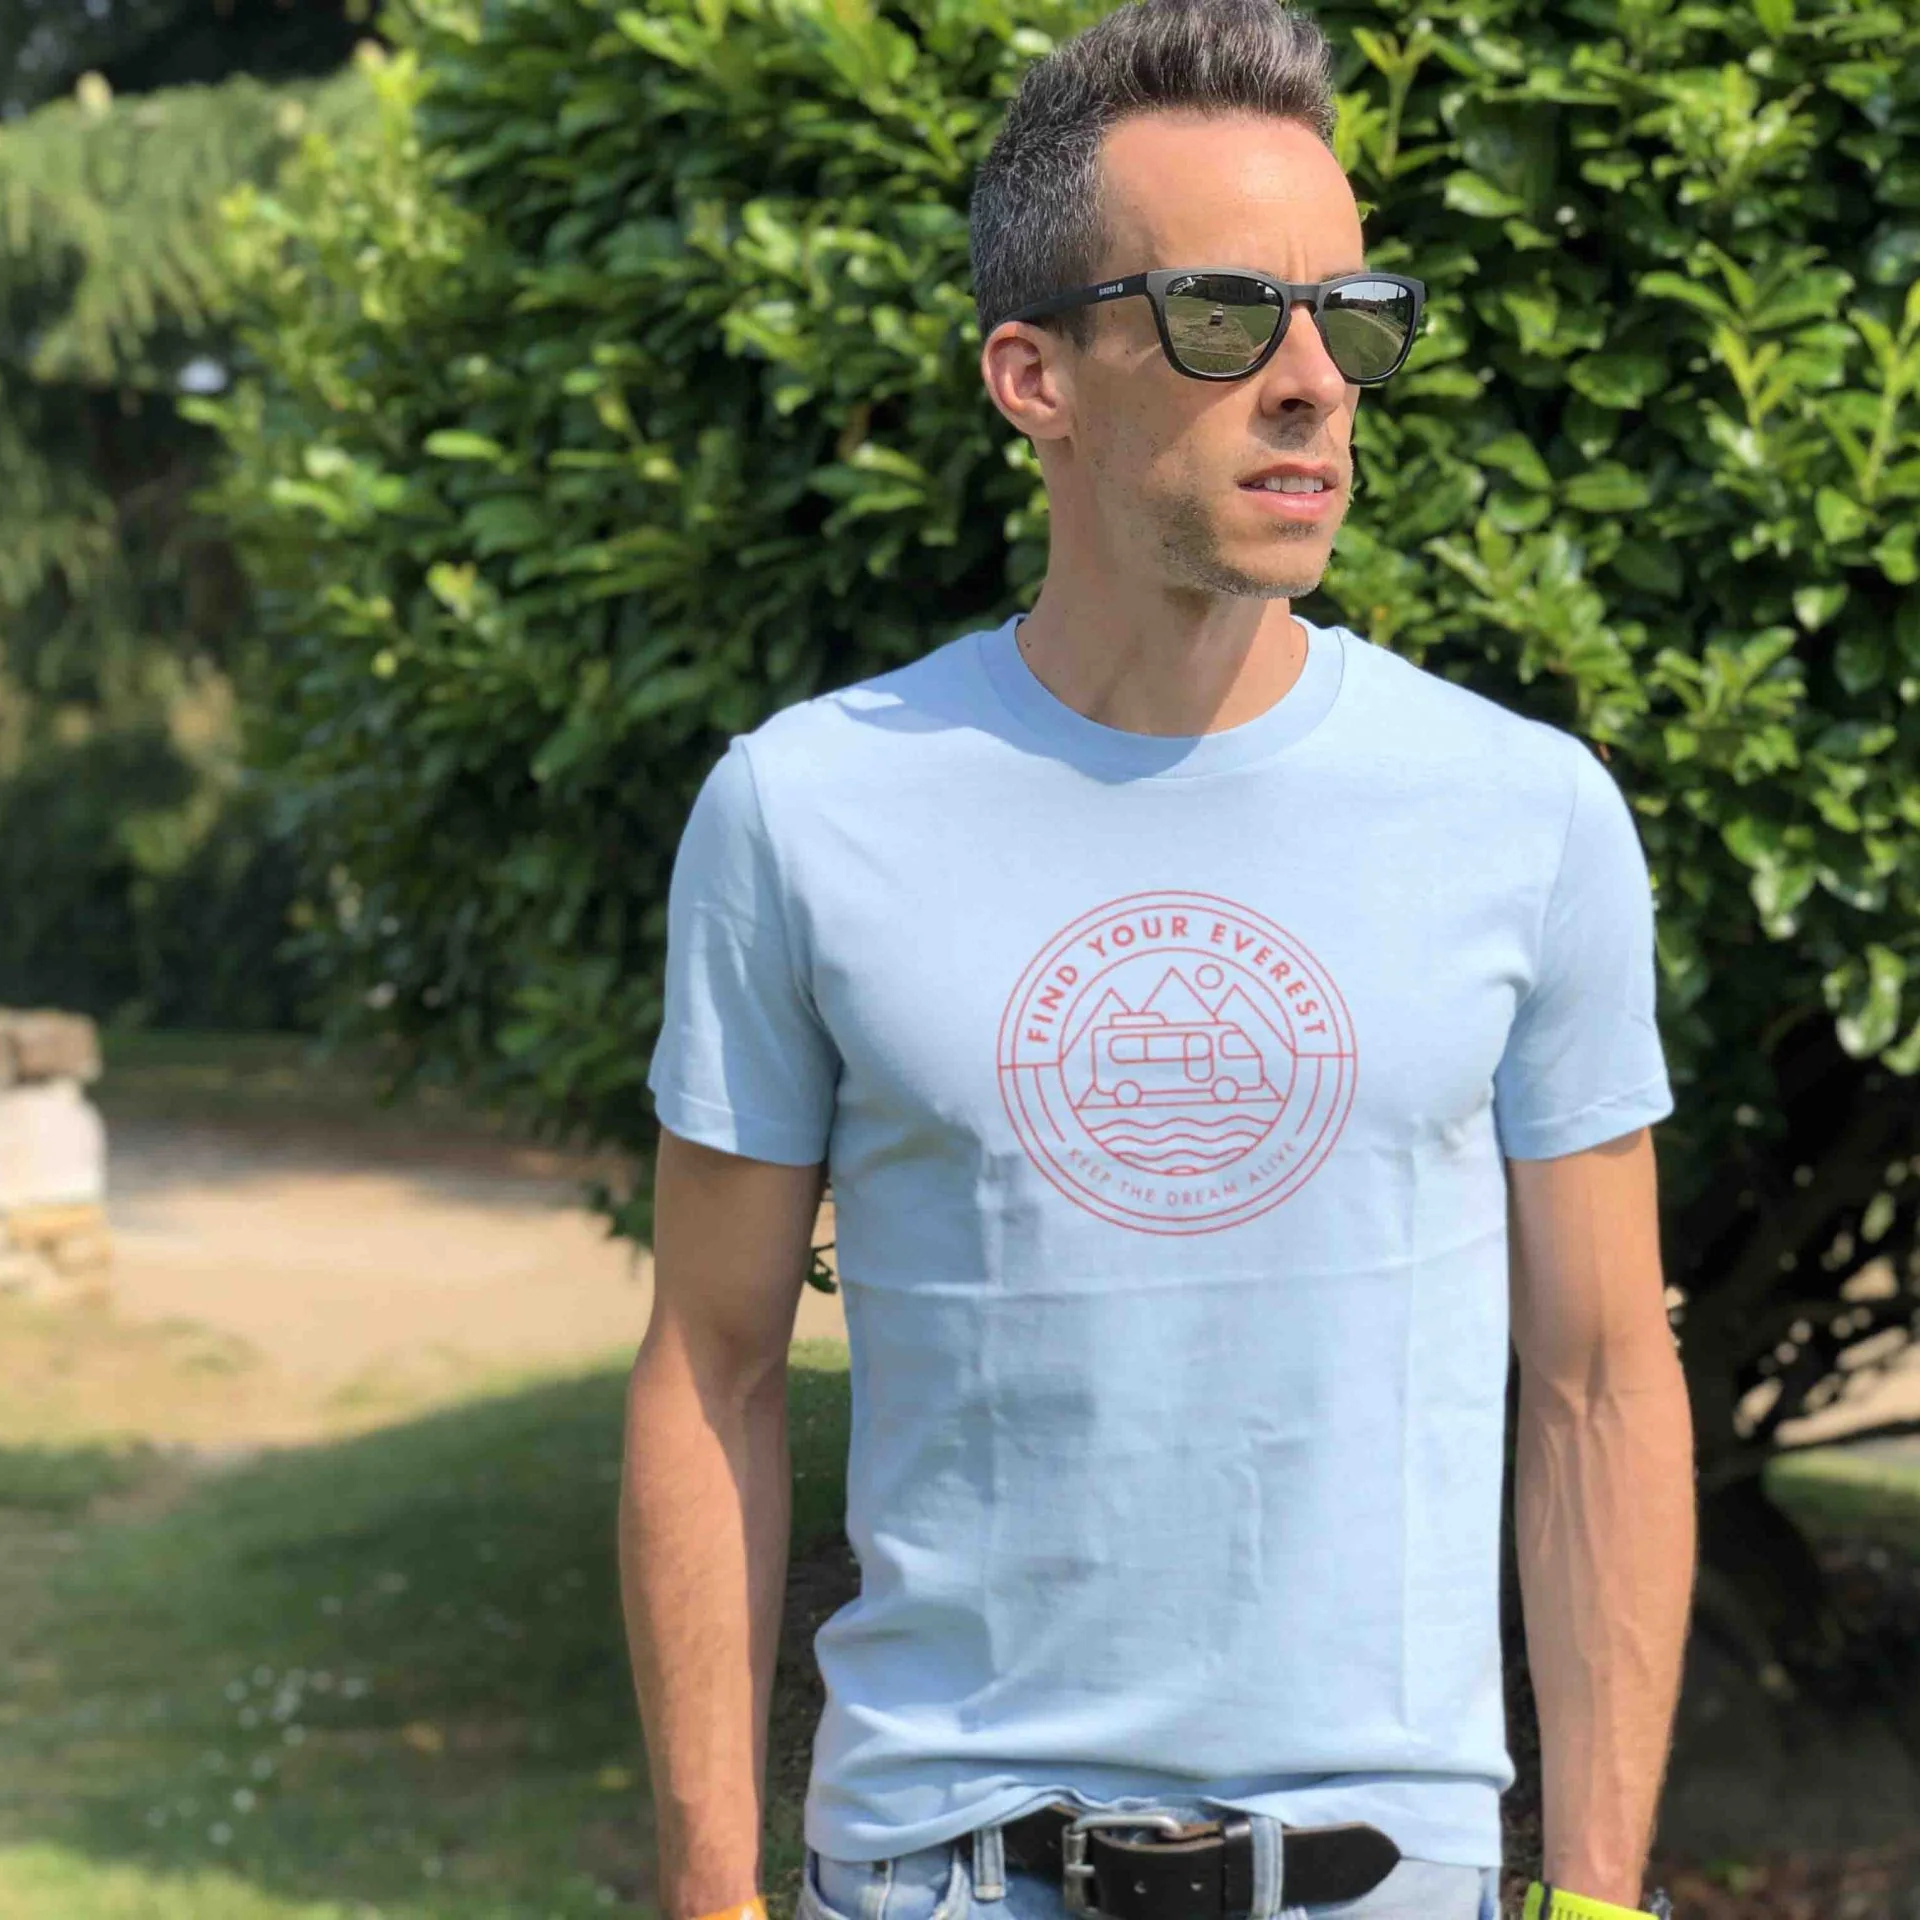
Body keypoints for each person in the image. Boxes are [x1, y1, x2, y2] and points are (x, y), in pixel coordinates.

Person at [619, 1, 1695, 1917]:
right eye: (1223, 314)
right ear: (1033, 374)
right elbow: (711, 1366)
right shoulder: (806, 809)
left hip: (1395, 1877)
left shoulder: (1525, 813)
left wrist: (1601, 1898)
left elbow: (1605, 1382)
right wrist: (712, 1891)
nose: (1313, 383)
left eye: (1352, 318)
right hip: (943, 1874)